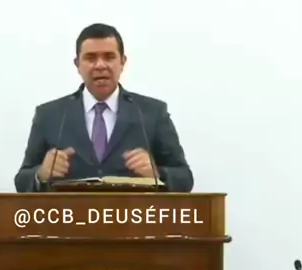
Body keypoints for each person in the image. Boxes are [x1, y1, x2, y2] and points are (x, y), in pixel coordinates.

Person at [14, 23, 194, 192]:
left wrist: (158, 173)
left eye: (109, 57)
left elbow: (185, 178)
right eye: (90, 58)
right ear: (77, 64)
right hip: (68, 214)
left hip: (133, 214)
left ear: (122, 62)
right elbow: (22, 180)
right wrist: (40, 174)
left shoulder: (152, 112)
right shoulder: (49, 115)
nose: (100, 65)